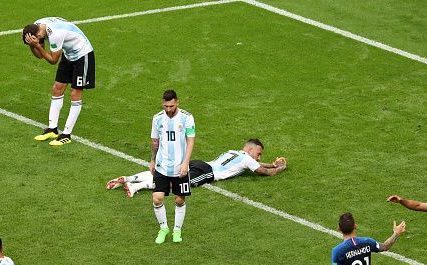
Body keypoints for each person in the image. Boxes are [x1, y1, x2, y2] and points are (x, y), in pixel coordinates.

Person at [105, 138, 287, 196]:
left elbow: (257, 164)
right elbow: (262, 172)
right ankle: (136, 187)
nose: (259, 156)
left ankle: (127, 179)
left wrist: (272, 163)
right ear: (250, 149)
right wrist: (279, 169)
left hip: (200, 163)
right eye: (259, 153)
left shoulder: (236, 152)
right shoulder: (247, 159)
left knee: (166, 174)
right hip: (207, 173)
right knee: (176, 186)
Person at [22, 17, 95, 146]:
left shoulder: (55, 34)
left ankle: (66, 134)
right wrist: (34, 46)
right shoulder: (37, 26)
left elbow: (53, 60)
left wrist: (37, 45)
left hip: (83, 55)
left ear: (38, 35)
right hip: (69, 54)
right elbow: (39, 55)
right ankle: (52, 129)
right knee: (57, 88)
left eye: (36, 40)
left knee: (75, 93)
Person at [149, 90, 195, 244]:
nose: (168, 109)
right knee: (157, 198)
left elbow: (190, 141)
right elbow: (155, 141)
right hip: (162, 166)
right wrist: (152, 160)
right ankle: (163, 228)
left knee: (179, 200)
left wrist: (186, 163)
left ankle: (177, 230)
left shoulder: (187, 118)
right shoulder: (157, 119)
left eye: (171, 106)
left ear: (177, 103)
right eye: (166, 106)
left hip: (180, 167)